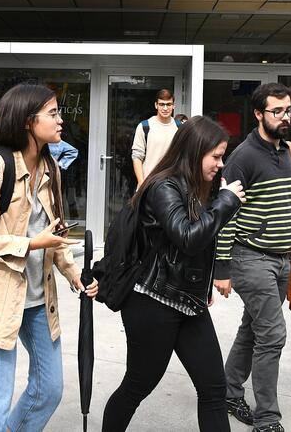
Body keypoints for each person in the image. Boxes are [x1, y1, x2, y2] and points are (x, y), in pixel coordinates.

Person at [0, 83, 98, 431]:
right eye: (53, 113)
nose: (61, 120)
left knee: (49, 389)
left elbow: (54, 234)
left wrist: (73, 273)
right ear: (29, 122)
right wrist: (29, 244)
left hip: (38, 299)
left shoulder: (51, 170)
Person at [102, 116, 246, 432]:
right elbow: (188, 236)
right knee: (138, 386)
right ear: (195, 153)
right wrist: (225, 203)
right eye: (216, 156)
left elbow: (205, 242)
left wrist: (207, 281)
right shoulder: (163, 186)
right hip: (153, 301)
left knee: (213, 388)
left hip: (188, 301)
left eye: (223, 156)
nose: (221, 164)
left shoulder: (201, 187)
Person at [214, 83, 291, 432]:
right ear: (258, 114)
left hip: (282, 259)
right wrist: (222, 268)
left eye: (289, 111)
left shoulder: (289, 151)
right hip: (250, 258)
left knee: (252, 329)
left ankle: (228, 391)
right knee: (272, 334)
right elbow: (226, 214)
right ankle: (267, 418)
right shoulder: (242, 157)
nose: (285, 118)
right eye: (277, 111)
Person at [131, 89, 178, 188]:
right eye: (162, 104)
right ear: (156, 105)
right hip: (148, 184)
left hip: (173, 186)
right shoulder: (145, 126)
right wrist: (141, 183)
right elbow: (137, 157)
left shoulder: (180, 128)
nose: (165, 108)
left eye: (169, 104)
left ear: (174, 106)